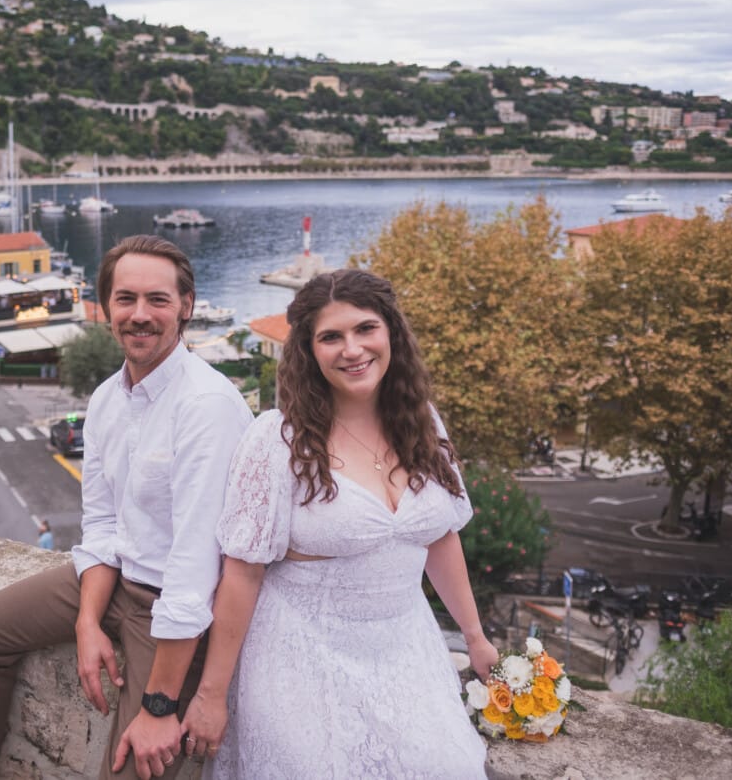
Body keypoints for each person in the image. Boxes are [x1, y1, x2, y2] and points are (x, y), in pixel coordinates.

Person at [0, 235, 253, 780]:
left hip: (172, 609)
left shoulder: (206, 406)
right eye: (125, 299)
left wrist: (159, 707)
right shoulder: (106, 399)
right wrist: (87, 622)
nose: (139, 315)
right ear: (106, 307)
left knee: (137, 765)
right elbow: (101, 524)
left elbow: (195, 572)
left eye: (158, 300)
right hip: (116, 579)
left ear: (186, 307)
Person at [181, 269, 497, 779]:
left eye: (365, 328)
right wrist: (211, 695)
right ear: (310, 352)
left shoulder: (422, 422)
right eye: (331, 337)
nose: (352, 349)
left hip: (408, 657)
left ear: (391, 333)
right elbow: (241, 573)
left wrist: (476, 637)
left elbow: (439, 538)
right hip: (299, 665)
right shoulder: (277, 442)